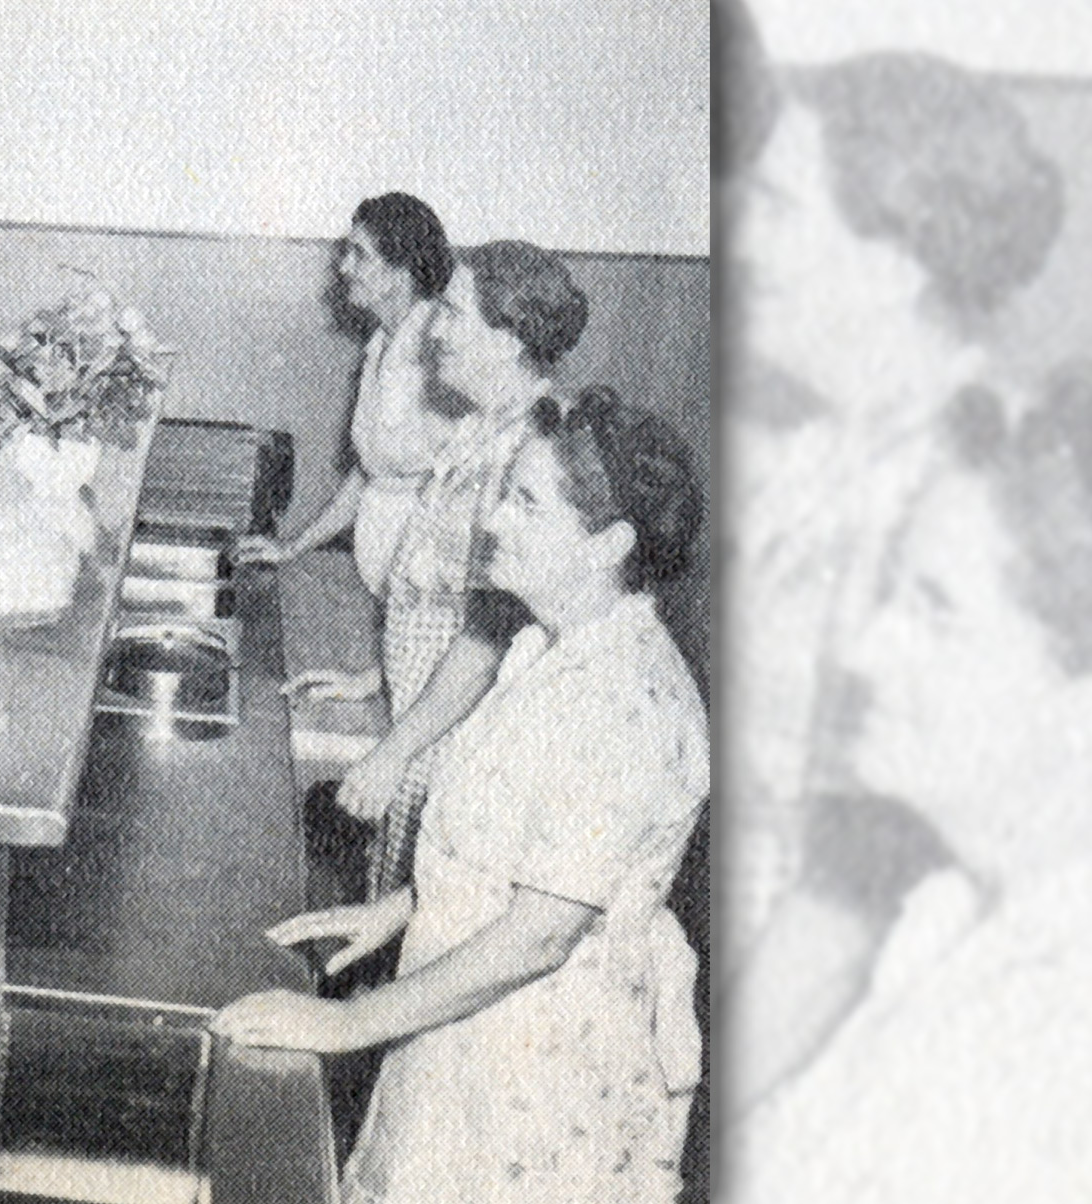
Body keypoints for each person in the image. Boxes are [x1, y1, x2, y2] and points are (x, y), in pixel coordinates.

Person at [217, 389, 709, 1204]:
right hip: (464, 1024)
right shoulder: (543, 646)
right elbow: (518, 848)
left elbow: (540, 936)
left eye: (526, 502)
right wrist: (404, 906)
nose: (495, 520)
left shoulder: (622, 705)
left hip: (537, 1068)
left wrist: (346, 1023)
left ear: (607, 544)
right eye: (504, 492)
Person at [719, 51, 1063, 1114]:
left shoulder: (950, 482)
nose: (742, 240)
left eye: (779, 208)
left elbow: (850, 901)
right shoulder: (826, 448)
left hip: (803, 1030)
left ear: (894, 262)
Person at [733, 370, 1092, 1200]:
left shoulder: (1058, 1033)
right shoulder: (945, 920)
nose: (865, 652)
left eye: (936, 612)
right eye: (893, 591)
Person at [324, 242, 589, 902]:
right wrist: (379, 675)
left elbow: (489, 636)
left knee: (431, 910)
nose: (434, 328)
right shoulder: (478, 426)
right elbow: (437, 585)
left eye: (451, 312)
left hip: (457, 734)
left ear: (507, 339)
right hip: (427, 714)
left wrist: (394, 751)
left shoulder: (528, 450)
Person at [242, 194, 456, 597]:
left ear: (400, 271)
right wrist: (292, 547)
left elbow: (453, 488)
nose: (344, 268)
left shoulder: (440, 355)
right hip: (379, 571)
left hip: (423, 583)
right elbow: (372, 472)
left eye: (360, 255)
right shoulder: (381, 344)